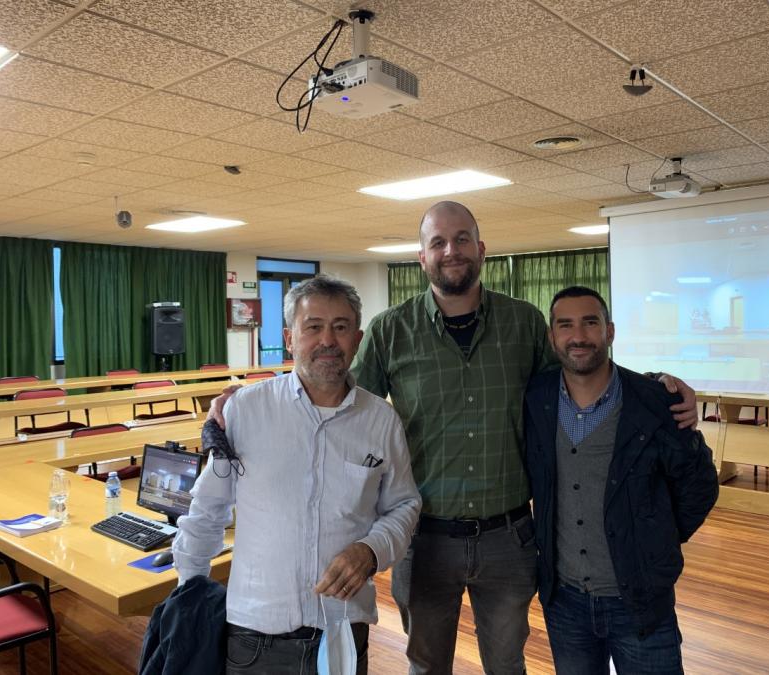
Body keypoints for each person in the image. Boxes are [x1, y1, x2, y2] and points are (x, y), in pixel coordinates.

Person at [209, 201, 699, 674]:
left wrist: (653, 386)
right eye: (438, 242)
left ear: (480, 249)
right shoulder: (390, 330)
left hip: (509, 537)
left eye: (462, 239)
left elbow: (579, 374)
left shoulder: (523, 322)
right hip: (425, 539)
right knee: (426, 666)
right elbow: (334, 397)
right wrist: (250, 400)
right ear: (422, 257)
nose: (451, 251)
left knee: (506, 665)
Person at [173, 275, 421, 675]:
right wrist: (190, 595)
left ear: (357, 340)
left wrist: (371, 550)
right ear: (290, 338)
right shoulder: (244, 410)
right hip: (255, 636)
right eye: (313, 327)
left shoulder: (381, 421)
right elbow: (207, 509)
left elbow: (404, 504)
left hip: (342, 631)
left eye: (341, 327)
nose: (328, 340)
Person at [523, 286, 719, 675]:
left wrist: (655, 538)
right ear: (552, 336)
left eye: (590, 323)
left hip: (641, 601)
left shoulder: (655, 401)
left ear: (609, 332)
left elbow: (699, 486)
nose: (578, 336)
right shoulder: (535, 398)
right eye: (566, 325)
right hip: (565, 604)